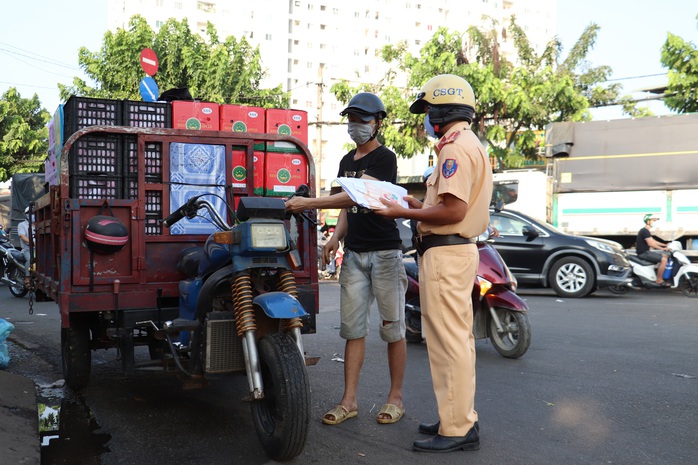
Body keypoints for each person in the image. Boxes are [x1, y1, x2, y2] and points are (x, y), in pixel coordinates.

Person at [375, 74, 492, 453]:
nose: (425, 118)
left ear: (443, 109)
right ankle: (457, 417)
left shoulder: (454, 149)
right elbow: (447, 206)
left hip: (446, 253)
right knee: (455, 342)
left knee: (448, 343)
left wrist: (396, 213)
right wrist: (417, 207)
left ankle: (457, 428)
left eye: (427, 110)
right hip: (452, 252)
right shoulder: (466, 143)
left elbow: (454, 209)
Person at [285, 92, 408, 425]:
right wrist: (335, 239)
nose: (356, 125)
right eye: (351, 119)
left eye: (362, 119)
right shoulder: (345, 162)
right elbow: (346, 208)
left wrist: (307, 204)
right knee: (353, 331)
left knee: (392, 329)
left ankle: (395, 398)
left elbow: (357, 194)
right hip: (354, 256)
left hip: (385, 253)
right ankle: (349, 401)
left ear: (377, 123)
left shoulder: (385, 159)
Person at [636, 213, 671, 286]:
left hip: (646, 252)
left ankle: (657, 274)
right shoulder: (644, 231)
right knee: (664, 260)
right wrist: (663, 248)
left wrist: (665, 244)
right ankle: (659, 280)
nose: (654, 222)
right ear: (648, 221)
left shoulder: (646, 231)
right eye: (653, 220)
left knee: (664, 256)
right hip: (643, 253)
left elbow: (653, 241)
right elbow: (651, 244)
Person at [17, 207, 34, 286]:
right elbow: (22, 237)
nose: (33, 215)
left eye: (35, 214)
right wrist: (32, 243)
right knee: (30, 259)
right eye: (31, 214)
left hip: (39, 249)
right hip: (27, 249)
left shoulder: (38, 225)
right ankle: (27, 277)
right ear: (27, 215)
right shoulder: (22, 225)